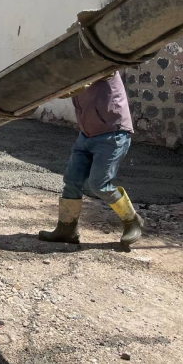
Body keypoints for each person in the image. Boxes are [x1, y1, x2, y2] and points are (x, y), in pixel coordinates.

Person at [38, 72, 144, 247]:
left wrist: (57, 88)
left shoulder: (106, 65)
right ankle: (67, 229)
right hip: (86, 135)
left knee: (99, 184)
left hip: (113, 134)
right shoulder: (76, 72)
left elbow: (81, 85)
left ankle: (132, 221)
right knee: (72, 181)